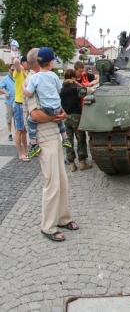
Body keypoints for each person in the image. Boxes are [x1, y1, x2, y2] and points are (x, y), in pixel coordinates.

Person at [24, 48, 79, 242]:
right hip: (44, 136)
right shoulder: (31, 80)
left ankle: (63, 217)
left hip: (54, 133)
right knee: (52, 182)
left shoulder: (44, 78)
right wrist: (57, 116)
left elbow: (54, 101)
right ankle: (48, 226)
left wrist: (61, 114)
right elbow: (35, 115)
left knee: (62, 181)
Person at [23, 48, 72, 158]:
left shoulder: (34, 78)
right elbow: (60, 90)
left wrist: (23, 87)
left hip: (47, 110)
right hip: (56, 108)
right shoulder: (54, 75)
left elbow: (29, 94)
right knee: (60, 121)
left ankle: (33, 145)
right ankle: (65, 139)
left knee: (30, 121)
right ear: (51, 62)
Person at [60, 69, 92, 172]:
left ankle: (72, 164)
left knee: (68, 140)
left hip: (65, 117)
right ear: (73, 77)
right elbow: (87, 91)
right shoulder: (76, 88)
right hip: (76, 116)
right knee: (81, 139)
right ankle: (82, 163)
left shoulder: (61, 89)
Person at [12, 55, 30, 161]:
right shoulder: (18, 72)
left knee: (24, 130)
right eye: (27, 62)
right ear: (23, 63)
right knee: (19, 129)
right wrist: (16, 58)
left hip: (24, 103)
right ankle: (20, 153)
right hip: (19, 103)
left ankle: (26, 150)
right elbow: (15, 62)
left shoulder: (26, 73)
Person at [0, 64, 16, 141]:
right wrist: (5, 92)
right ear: (9, 69)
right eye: (12, 70)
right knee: (9, 118)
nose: (13, 71)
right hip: (9, 101)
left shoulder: (18, 77)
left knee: (17, 119)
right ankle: (10, 133)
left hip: (17, 102)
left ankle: (17, 132)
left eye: (14, 70)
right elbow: (0, 87)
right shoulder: (6, 79)